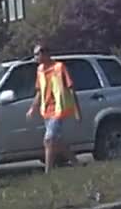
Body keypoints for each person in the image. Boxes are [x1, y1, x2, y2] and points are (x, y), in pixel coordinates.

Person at [26, 43, 81, 173]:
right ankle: (76, 163)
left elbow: (71, 89)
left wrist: (77, 111)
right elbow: (39, 92)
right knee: (56, 141)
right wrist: (32, 108)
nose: (35, 57)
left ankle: (48, 172)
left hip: (59, 109)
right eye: (34, 54)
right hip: (47, 110)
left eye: (37, 54)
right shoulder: (39, 70)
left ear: (45, 54)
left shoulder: (59, 67)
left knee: (48, 139)